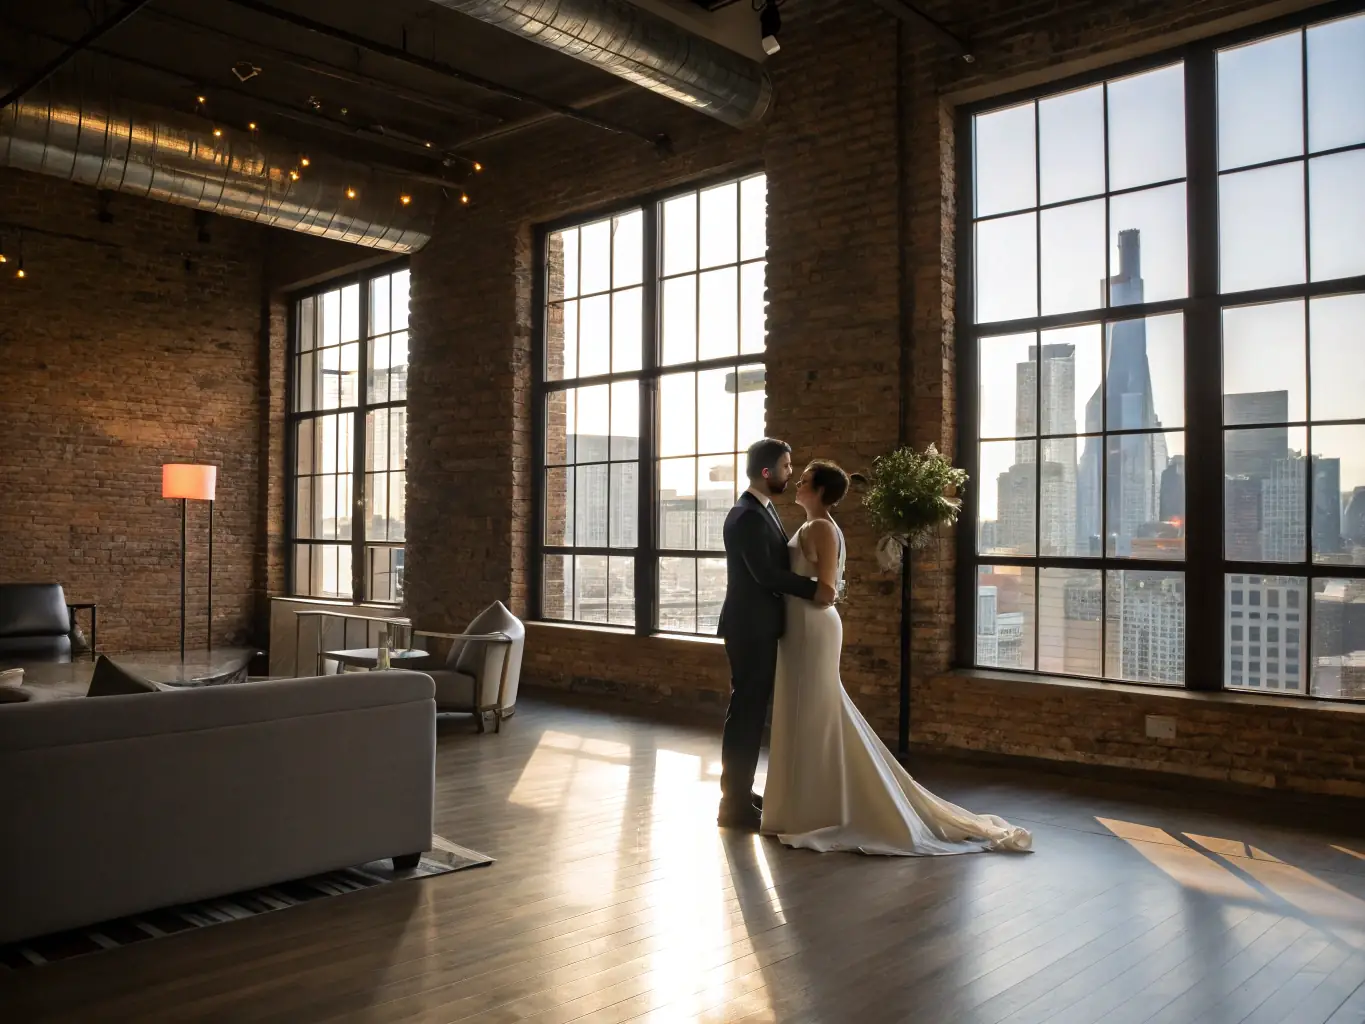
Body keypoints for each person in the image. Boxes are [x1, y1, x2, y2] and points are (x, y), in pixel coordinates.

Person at [760, 459, 1032, 855]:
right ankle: (804, 805)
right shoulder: (813, 526)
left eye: (804, 481)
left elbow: (826, 592)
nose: (797, 485)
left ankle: (816, 810)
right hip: (803, 627)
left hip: (812, 626)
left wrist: (783, 585)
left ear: (819, 491)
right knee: (811, 713)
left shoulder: (820, 527)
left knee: (814, 711)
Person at [716, 439, 836, 831]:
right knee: (747, 715)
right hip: (749, 627)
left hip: (759, 624)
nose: (790, 473)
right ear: (766, 472)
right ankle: (732, 805)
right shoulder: (746, 515)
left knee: (751, 712)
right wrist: (814, 589)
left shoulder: (762, 510)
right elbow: (765, 574)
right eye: (786, 467)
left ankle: (740, 791)